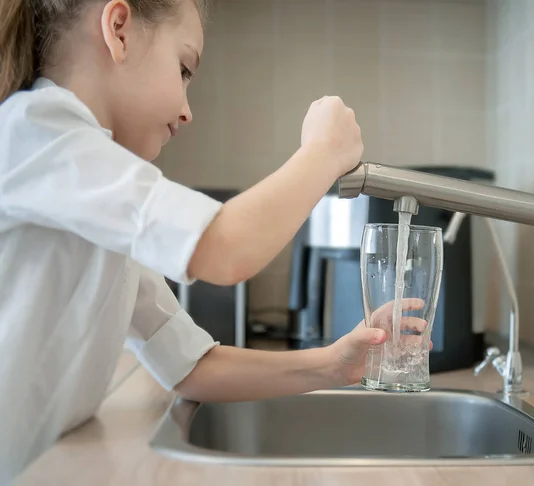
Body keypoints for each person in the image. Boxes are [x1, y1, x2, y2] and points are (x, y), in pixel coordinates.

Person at [0, 0, 409, 481]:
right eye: (184, 68)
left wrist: (334, 365)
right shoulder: (34, 130)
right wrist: (323, 153)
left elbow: (191, 366)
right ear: (119, 30)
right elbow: (225, 250)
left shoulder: (95, 199)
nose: (188, 111)